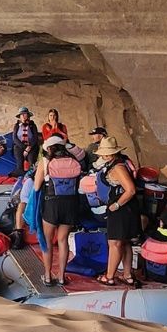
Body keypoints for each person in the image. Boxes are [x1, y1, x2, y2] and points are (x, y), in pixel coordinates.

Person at [33, 136, 83, 286]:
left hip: (52, 204)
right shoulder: (73, 161)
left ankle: (48, 277)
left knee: (47, 241)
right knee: (63, 241)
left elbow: (36, 187)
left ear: (49, 148)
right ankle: (61, 277)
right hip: (71, 204)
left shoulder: (46, 162)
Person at [94, 137, 142, 286]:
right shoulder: (122, 163)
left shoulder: (118, 168)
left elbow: (131, 190)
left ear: (108, 155)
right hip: (128, 209)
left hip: (121, 209)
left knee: (114, 243)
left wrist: (116, 205)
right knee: (125, 242)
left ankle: (109, 276)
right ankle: (127, 275)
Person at [10, 107, 41, 177]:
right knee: (19, 162)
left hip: (31, 147)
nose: (24, 116)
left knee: (31, 162)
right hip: (20, 146)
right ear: (20, 117)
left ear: (28, 116)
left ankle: (32, 174)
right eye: (22, 115)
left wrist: (29, 147)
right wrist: (24, 148)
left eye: (25, 114)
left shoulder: (32, 125)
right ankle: (19, 171)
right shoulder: (16, 126)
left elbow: (35, 137)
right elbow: (15, 138)